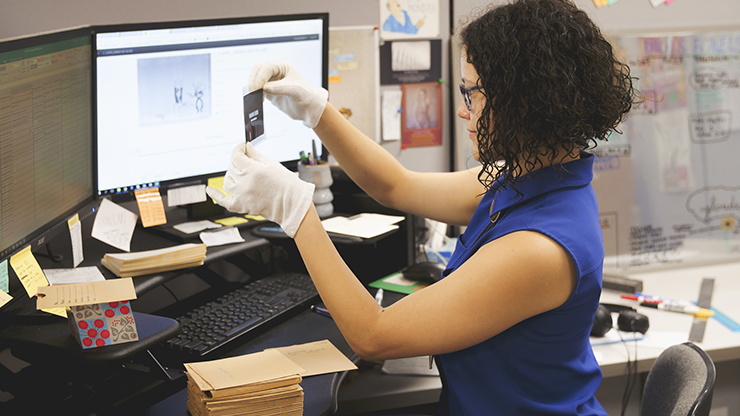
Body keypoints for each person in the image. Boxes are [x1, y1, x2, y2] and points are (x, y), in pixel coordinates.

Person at [206, 0, 636, 413]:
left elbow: (374, 335)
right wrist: (316, 110)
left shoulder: (540, 248)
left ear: (523, 100)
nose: (464, 113)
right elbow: (396, 186)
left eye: (473, 94)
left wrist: (295, 211)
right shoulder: (530, 177)